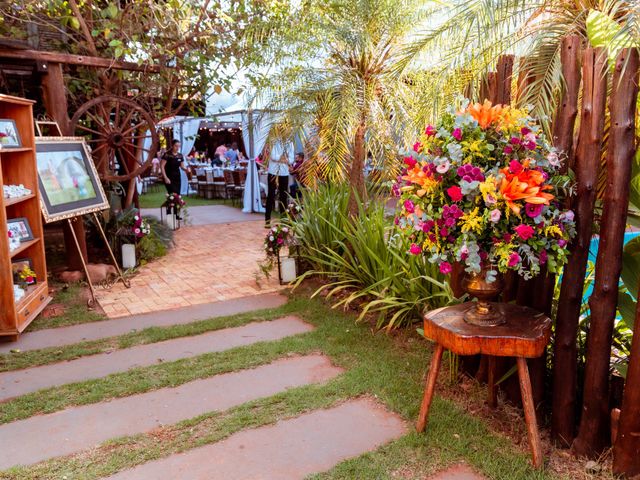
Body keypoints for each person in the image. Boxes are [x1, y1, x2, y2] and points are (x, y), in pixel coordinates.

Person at [265, 142, 291, 226]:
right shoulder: (273, 141)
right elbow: (273, 156)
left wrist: (280, 159)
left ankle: (283, 221)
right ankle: (267, 220)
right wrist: (284, 159)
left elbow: (291, 159)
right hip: (273, 172)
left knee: (284, 197)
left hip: (284, 173)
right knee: (271, 195)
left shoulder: (290, 142)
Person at [161, 140, 189, 218]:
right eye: (176, 146)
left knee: (178, 196)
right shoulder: (167, 155)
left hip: (177, 178)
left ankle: (177, 214)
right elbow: (162, 166)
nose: (177, 148)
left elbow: (182, 166)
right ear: (172, 145)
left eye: (179, 146)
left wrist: (186, 169)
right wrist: (165, 177)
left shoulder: (180, 155)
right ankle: (169, 214)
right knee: (172, 195)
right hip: (168, 178)